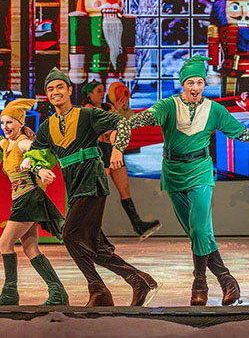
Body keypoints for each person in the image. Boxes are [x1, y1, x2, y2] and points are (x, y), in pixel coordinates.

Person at [113, 56, 249, 306]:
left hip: (201, 170)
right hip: (174, 173)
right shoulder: (168, 106)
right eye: (191, 82)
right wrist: (118, 144)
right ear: (183, 84)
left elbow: (242, 133)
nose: (196, 87)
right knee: (197, 232)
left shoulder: (214, 110)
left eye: (200, 82)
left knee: (199, 228)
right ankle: (227, 280)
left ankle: (200, 283)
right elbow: (135, 121)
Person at [26, 68, 159, 307]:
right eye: (50, 89)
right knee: (94, 245)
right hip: (73, 185)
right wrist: (39, 169)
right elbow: (34, 154)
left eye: (59, 87)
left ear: (69, 90)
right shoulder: (47, 126)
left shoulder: (87, 115)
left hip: (91, 180)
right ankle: (138, 280)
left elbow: (122, 122)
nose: (55, 92)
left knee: (70, 235)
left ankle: (98, 289)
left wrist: (117, 149)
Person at [0, 99, 68, 306]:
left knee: (4, 243)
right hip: (21, 198)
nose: (5, 127)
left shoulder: (23, 143)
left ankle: (10, 292)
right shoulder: (6, 144)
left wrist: (33, 161)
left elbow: (43, 150)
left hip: (28, 198)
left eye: (10, 122)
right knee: (30, 248)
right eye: (2, 123)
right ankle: (58, 293)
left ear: (20, 123)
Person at [81, 79, 161, 239]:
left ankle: (138, 225)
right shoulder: (87, 110)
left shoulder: (108, 107)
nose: (102, 93)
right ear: (90, 94)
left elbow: (124, 123)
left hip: (113, 150)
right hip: (99, 151)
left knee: (124, 189)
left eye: (103, 90)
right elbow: (103, 126)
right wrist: (116, 111)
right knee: (98, 194)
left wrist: (124, 109)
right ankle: (91, 229)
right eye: (98, 91)